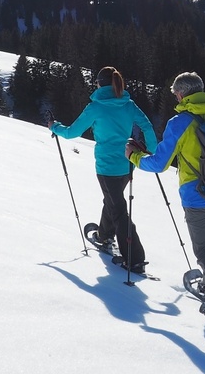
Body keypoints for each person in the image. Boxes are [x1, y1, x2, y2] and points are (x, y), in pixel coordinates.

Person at [127, 71, 205, 328]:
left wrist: (134, 157)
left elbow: (160, 164)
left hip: (197, 195)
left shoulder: (181, 122)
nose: (174, 96)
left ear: (182, 93)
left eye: (175, 93)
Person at [49, 66, 157, 273]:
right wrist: (149, 151)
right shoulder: (128, 104)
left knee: (118, 209)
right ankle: (104, 236)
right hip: (127, 163)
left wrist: (54, 126)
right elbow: (148, 126)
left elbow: (72, 132)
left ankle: (134, 259)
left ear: (99, 83)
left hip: (106, 166)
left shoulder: (96, 107)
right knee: (113, 200)